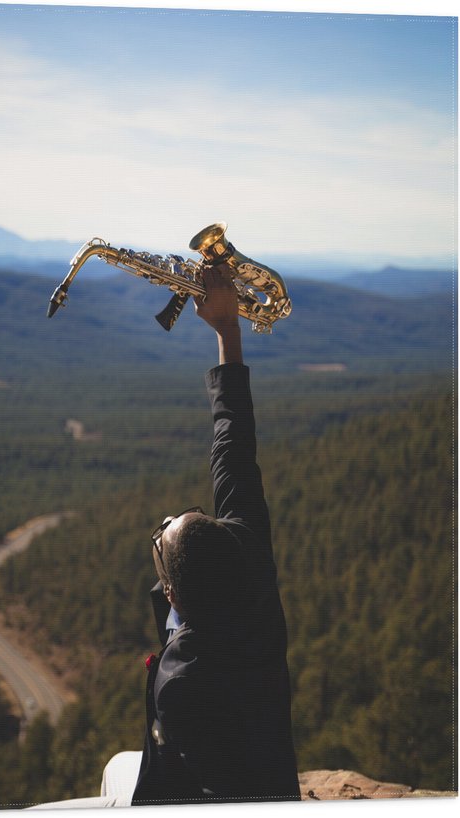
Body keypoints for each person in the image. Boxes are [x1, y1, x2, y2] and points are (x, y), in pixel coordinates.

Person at [131, 265, 301, 807]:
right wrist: (228, 329)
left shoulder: (182, 685)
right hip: (275, 781)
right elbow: (233, 434)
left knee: (118, 771)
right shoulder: (246, 549)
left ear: (175, 597)